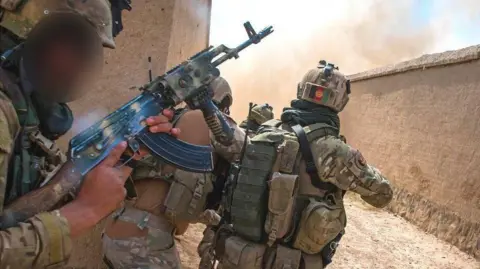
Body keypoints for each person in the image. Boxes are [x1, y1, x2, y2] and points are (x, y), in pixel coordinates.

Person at [0, 1, 175, 268]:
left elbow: (24, 205)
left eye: (87, 51)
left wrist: (115, 156)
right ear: (31, 32)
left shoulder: (27, 109)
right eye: (70, 43)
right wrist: (84, 212)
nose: (79, 64)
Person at [198, 60, 393, 269]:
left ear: (301, 91)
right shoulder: (333, 150)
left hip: (236, 255)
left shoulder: (265, 130)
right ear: (340, 101)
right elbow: (382, 195)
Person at [101, 76, 247, 269]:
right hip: (145, 240)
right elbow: (247, 149)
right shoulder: (208, 122)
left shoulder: (168, 118)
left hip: (119, 228)